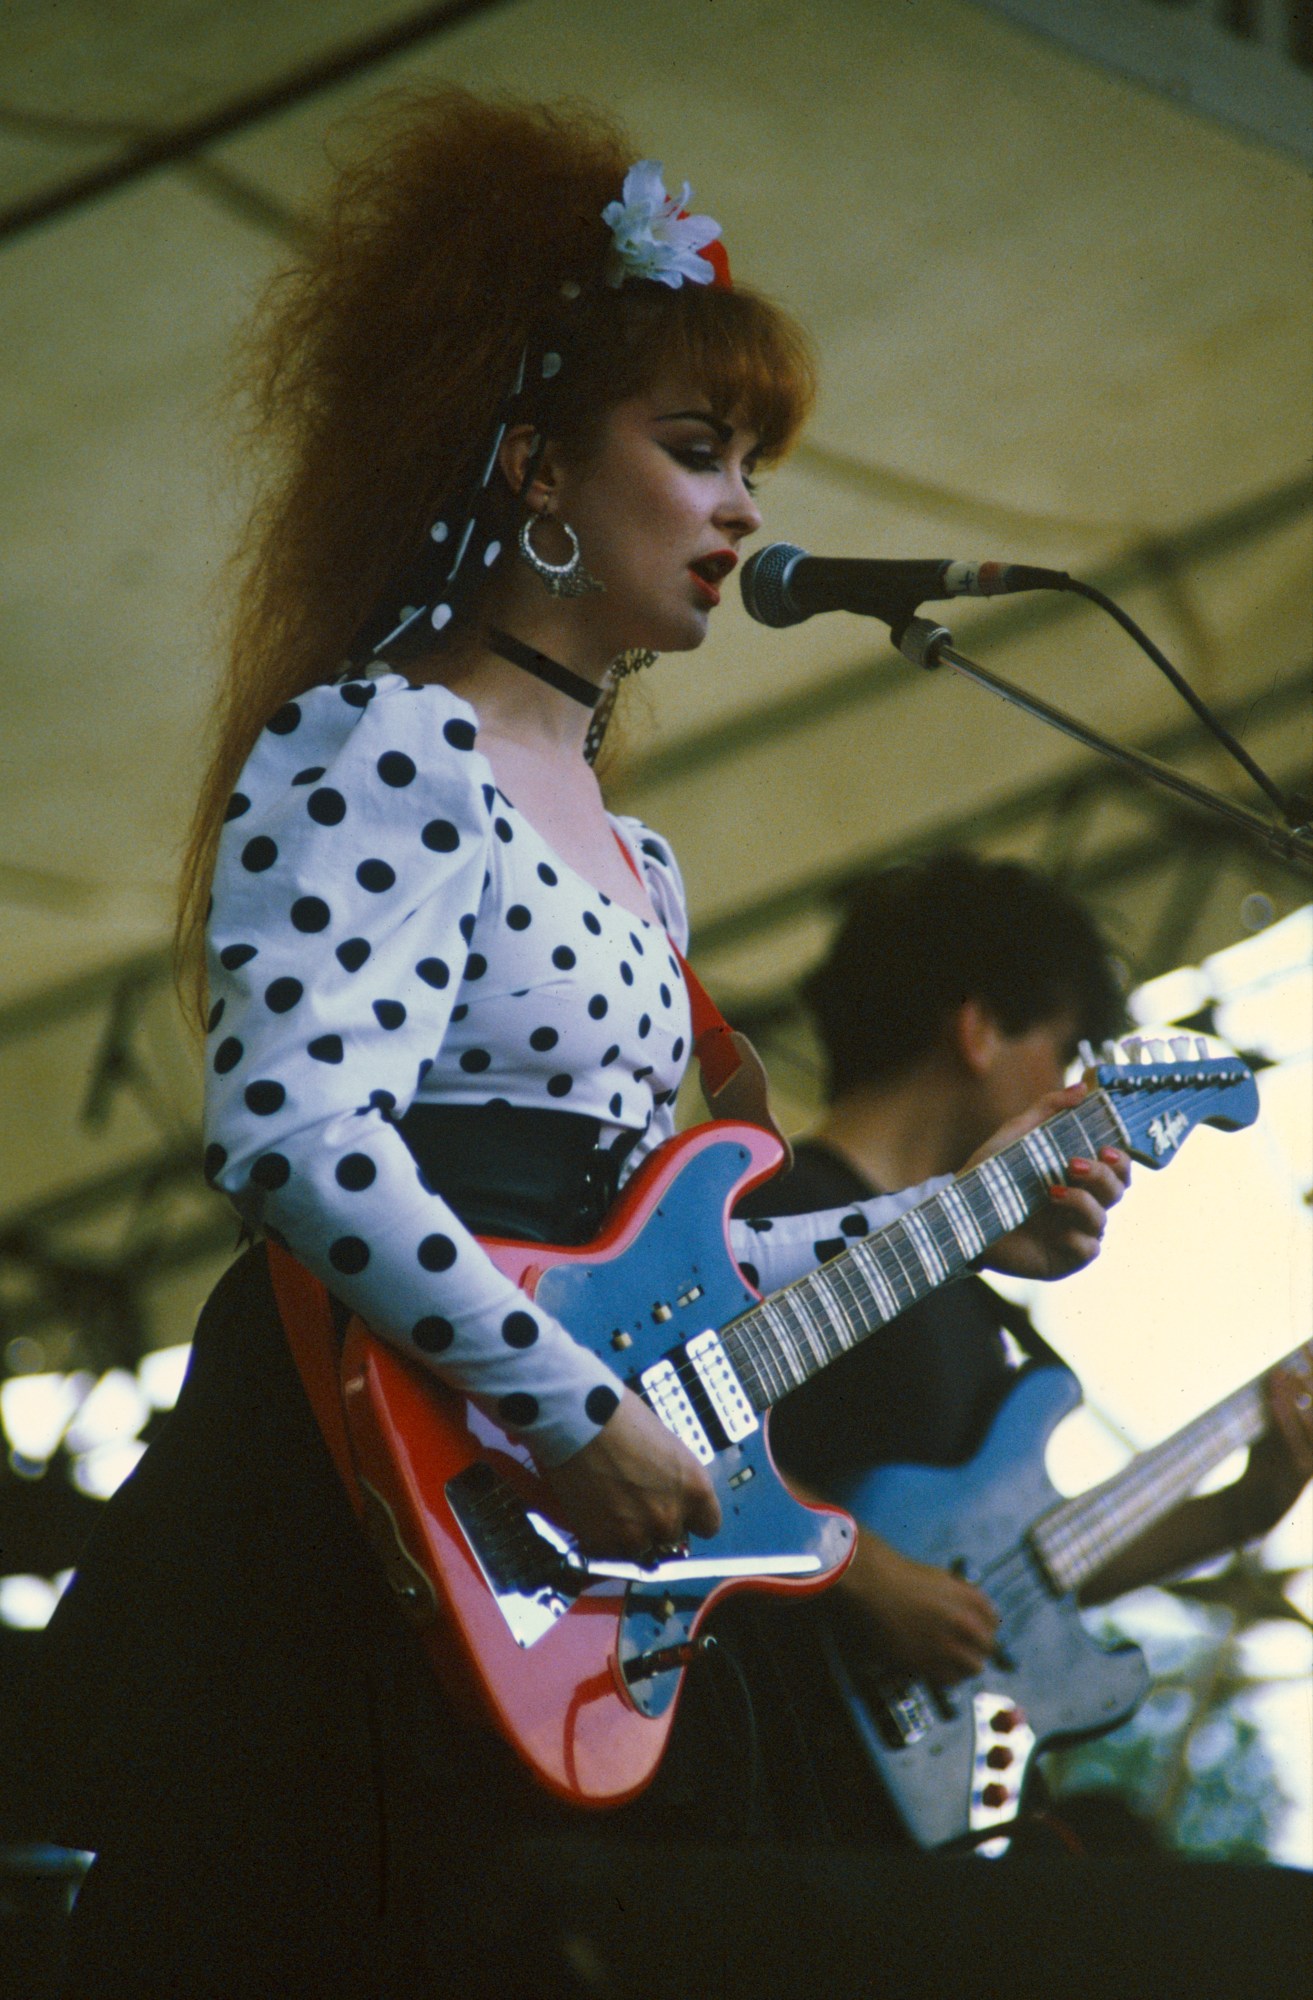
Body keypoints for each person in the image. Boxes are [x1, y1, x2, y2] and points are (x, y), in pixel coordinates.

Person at [35, 95, 1129, 1993]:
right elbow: (295, 1130)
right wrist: (566, 1411)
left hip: (560, 1542)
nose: (742, 509)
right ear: (537, 461)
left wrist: (971, 1210)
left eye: (751, 466)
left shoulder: (636, 855)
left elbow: (674, 1261)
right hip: (363, 1484)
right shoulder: (381, 738)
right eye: (695, 452)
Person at [730, 852, 1313, 1839]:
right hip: (748, 1766)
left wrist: (1243, 1507)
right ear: (978, 1028)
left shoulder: (977, 1307)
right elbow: (653, 1432)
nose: (1071, 1085)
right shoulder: (773, 1220)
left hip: (866, 1815)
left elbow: (1009, 1577)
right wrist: (861, 1572)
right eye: (1062, 1047)